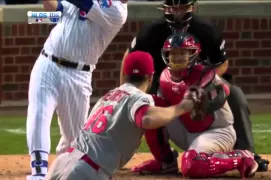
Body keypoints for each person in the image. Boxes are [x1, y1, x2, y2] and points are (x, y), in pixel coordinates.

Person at [119, 0, 269, 172]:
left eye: (182, 7)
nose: (177, 12)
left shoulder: (207, 30)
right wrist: (127, 91)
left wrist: (205, 84)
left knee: (235, 94)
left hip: (201, 80)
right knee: (145, 105)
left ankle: (247, 152)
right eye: (173, 7)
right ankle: (163, 160)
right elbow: (130, 59)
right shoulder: (151, 31)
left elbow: (222, 63)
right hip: (163, 81)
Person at [45, 51, 199, 180]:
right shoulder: (139, 97)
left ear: (125, 75)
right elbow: (146, 118)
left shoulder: (108, 96)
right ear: (151, 77)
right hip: (85, 172)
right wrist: (181, 107)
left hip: (61, 163)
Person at [131, 32, 258, 179]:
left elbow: (223, 91)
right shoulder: (164, 76)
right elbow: (160, 110)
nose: (177, 57)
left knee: (191, 166)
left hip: (216, 131)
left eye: (182, 53)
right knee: (151, 109)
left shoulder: (204, 74)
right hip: (187, 129)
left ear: (192, 54)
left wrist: (204, 100)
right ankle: (165, 162)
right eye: (173, 53)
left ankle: (241, 157)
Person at [26, 0, 127, 179]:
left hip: (79, 76)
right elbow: (56, 10)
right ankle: (38, 173)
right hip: (48, 62)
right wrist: (39, 13)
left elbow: (84, 4)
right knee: (39, 114)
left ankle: (61, 169)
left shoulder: (118, 12)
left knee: (75, 141)